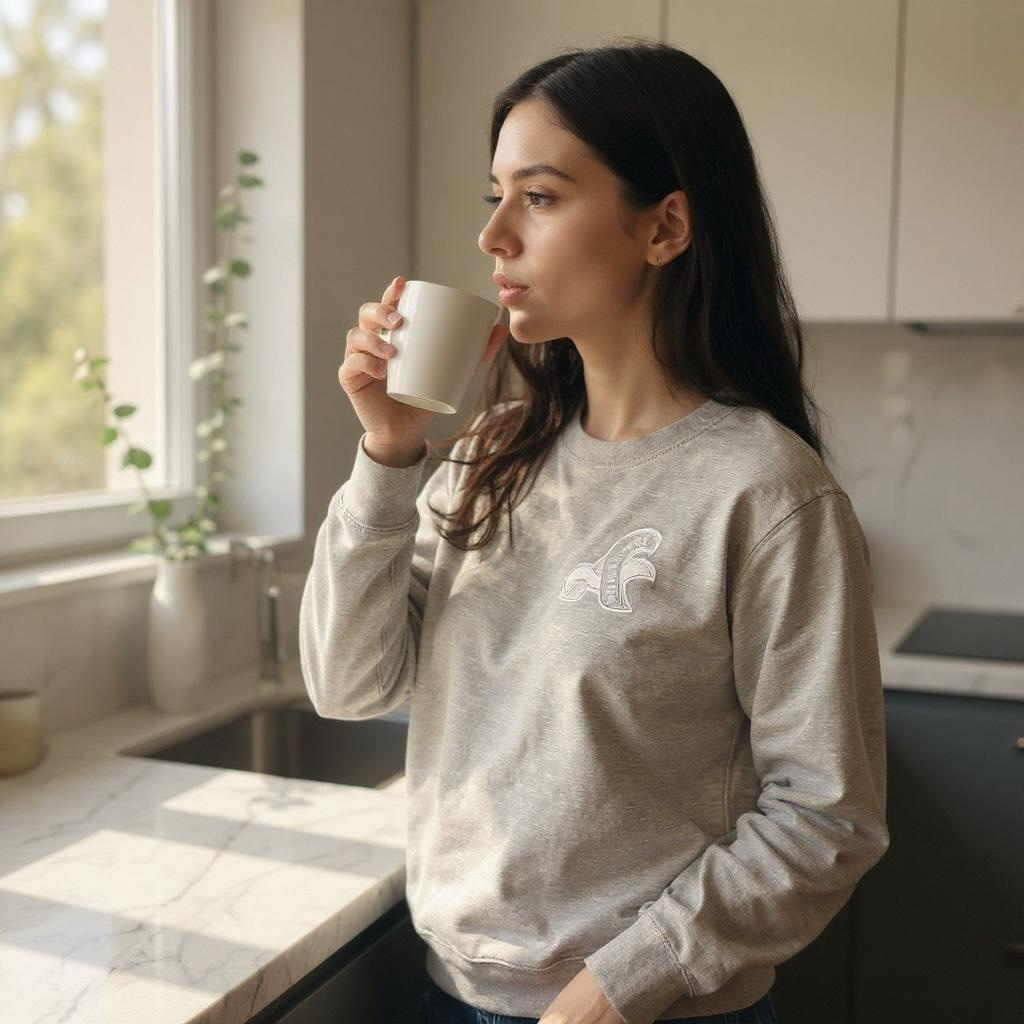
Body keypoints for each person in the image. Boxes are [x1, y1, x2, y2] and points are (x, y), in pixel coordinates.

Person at [299, 40, 889, 1024]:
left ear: (664, 227)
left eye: (538, 196)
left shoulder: (767, 493)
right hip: (453, 991)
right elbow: (348, 680)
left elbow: (827, 816)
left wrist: (614, 989)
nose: (492, 236)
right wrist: (387, 454)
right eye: (493, 194)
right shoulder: (487, 456)